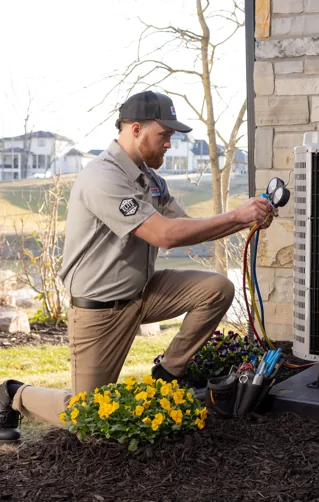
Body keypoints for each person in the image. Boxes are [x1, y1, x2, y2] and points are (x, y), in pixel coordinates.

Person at [0, 90, 273, 442]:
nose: (168, 145)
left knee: (217, 288)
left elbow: (186, 226)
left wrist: (245, 220)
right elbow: (166, 235)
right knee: (92, 423)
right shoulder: (103, 177)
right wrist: (238, 215)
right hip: (101, 311)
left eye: (171, 137)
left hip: (142, 294)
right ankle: (13, 393)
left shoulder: (151, 180)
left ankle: (168, 374)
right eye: (164, 136)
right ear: (134, 129)